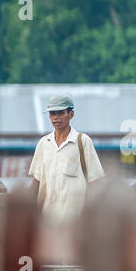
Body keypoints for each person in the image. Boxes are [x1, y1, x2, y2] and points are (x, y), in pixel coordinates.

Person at [27, 94, 105, 222]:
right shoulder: (43, 144)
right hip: (47, 219)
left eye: (60, 113)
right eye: (52, 114)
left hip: (76, 221)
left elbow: (95, 182)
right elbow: (37, 181)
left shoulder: (83, 142)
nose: (56, 118)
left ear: (71, 114)